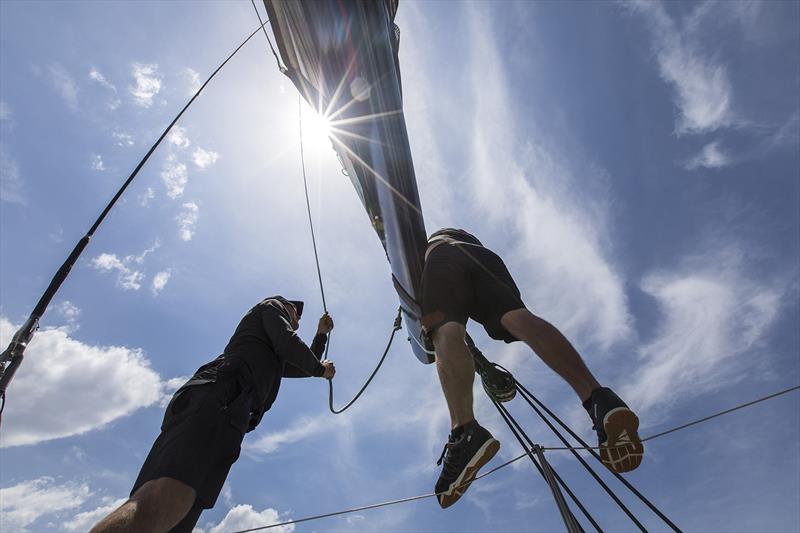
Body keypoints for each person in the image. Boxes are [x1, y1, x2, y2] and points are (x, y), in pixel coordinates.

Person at [421, 229, 643, 509]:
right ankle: (597, 397)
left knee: (445, 330)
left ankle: (464, 431)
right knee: (517, 318)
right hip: (485, 257)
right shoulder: (468, 240)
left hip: (441, 255)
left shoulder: (429, 247)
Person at [91, 296, 336, 533]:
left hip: (229, 409)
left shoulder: (269, 353)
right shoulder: (271, 306)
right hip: (222, 396)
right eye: (295, 313)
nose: (297, 319)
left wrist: (320, 336)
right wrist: (319, 369)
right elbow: (289, 344)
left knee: (179, 512)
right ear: (286, 306)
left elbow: (299, 362)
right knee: (167, 495)